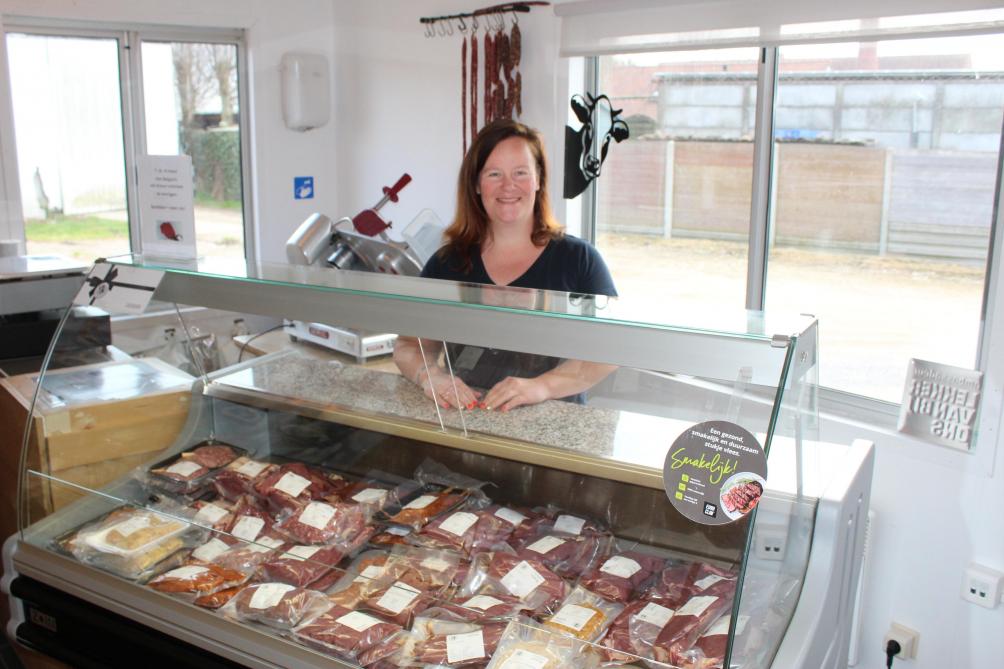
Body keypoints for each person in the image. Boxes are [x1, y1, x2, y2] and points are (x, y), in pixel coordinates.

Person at [394, 119, 618, 412]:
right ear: (476, 184)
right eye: (494, 173)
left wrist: (542, 386)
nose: (508, 185)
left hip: (553, 433)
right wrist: (431, 377)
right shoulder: (447, 262)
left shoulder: (580, 260)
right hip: (468, 423)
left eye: (521, 173)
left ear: (539, 179)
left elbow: (610, 351)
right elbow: (409, 345)